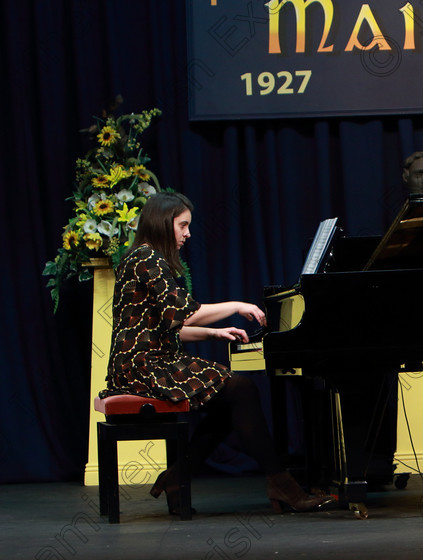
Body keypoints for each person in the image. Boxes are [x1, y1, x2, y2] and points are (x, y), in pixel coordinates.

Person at [104, 191, 334, 515]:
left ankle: (178, 477)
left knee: (231, 400)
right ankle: (282, 484)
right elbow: (185, 314)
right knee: (241, 389)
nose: (187, 233)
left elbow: (168, 326)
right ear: (162, 222)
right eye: (183, 225)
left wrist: (214, 332)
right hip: (144, 366)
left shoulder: (141, 257)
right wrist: (237, 306)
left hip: (141, 362)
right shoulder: (148, 259)